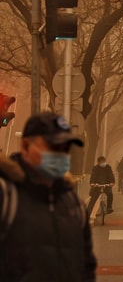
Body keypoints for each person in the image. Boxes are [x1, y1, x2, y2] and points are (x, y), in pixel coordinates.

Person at [0, 112, 97, 281]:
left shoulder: (73, 202)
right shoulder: (6, 195)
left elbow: (86, 265)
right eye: (52, 147)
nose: (60, 154)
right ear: (25, 147)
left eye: (65, 148)